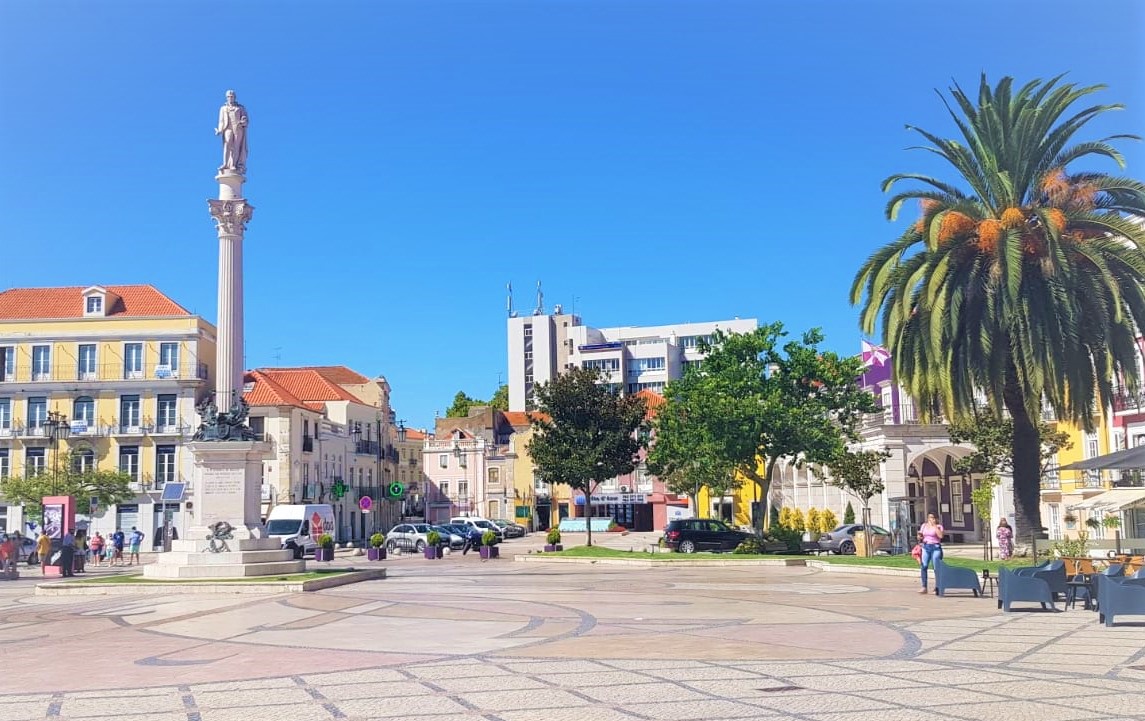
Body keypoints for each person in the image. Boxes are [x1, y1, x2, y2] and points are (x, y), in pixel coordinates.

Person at [215, 90, 249, 172]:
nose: (230, 98)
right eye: (229, 97)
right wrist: (219, 130)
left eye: (232, 96)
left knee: (236, 146)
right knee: (227, 145)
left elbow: (246, 119)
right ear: (226, 98)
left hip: (238, 128)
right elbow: (221, 121)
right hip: (227, 128)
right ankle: (225, 164)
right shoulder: (223, 108)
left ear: (235, 97)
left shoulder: (240, 108)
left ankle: (233, 164)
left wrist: (243, 121)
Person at [917, 512, 944, 594]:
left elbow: (940, 536)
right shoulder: (924, 526)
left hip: (935, 547)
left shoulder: (939, 526)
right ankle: (924, 586)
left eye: (933, 517)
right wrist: (919, 536)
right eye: (930, 517)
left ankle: (938, 587)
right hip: (926, 547)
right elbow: (920, 536)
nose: (931, 519)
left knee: (936, 568)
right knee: (924, 566)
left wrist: (935, 526)